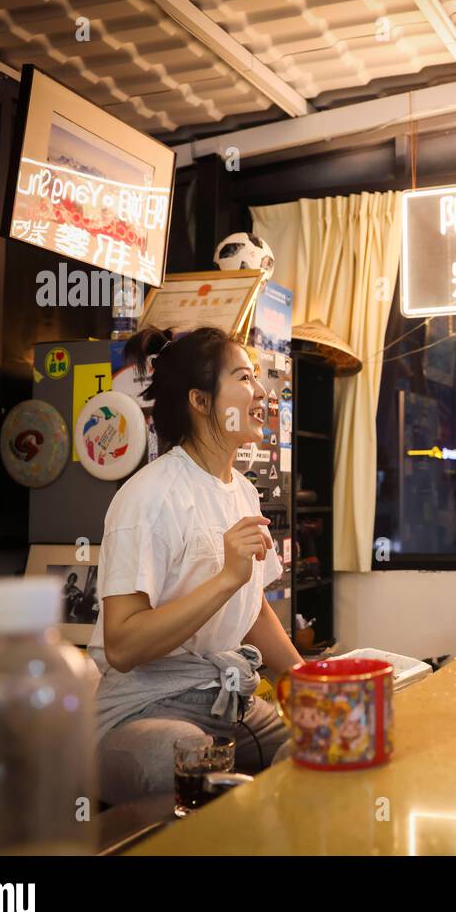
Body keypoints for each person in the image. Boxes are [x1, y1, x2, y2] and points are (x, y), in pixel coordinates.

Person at [91, 326, 304, 805]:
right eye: (245, 378)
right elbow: (122, 645)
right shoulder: (148, 497)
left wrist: (305, 680)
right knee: (189, 757)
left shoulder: (243, 491)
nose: (262, 393)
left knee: (316, 749)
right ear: (201, 401)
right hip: (140, 712)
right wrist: (226, 578)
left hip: (226, 699)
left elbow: (251, 611)